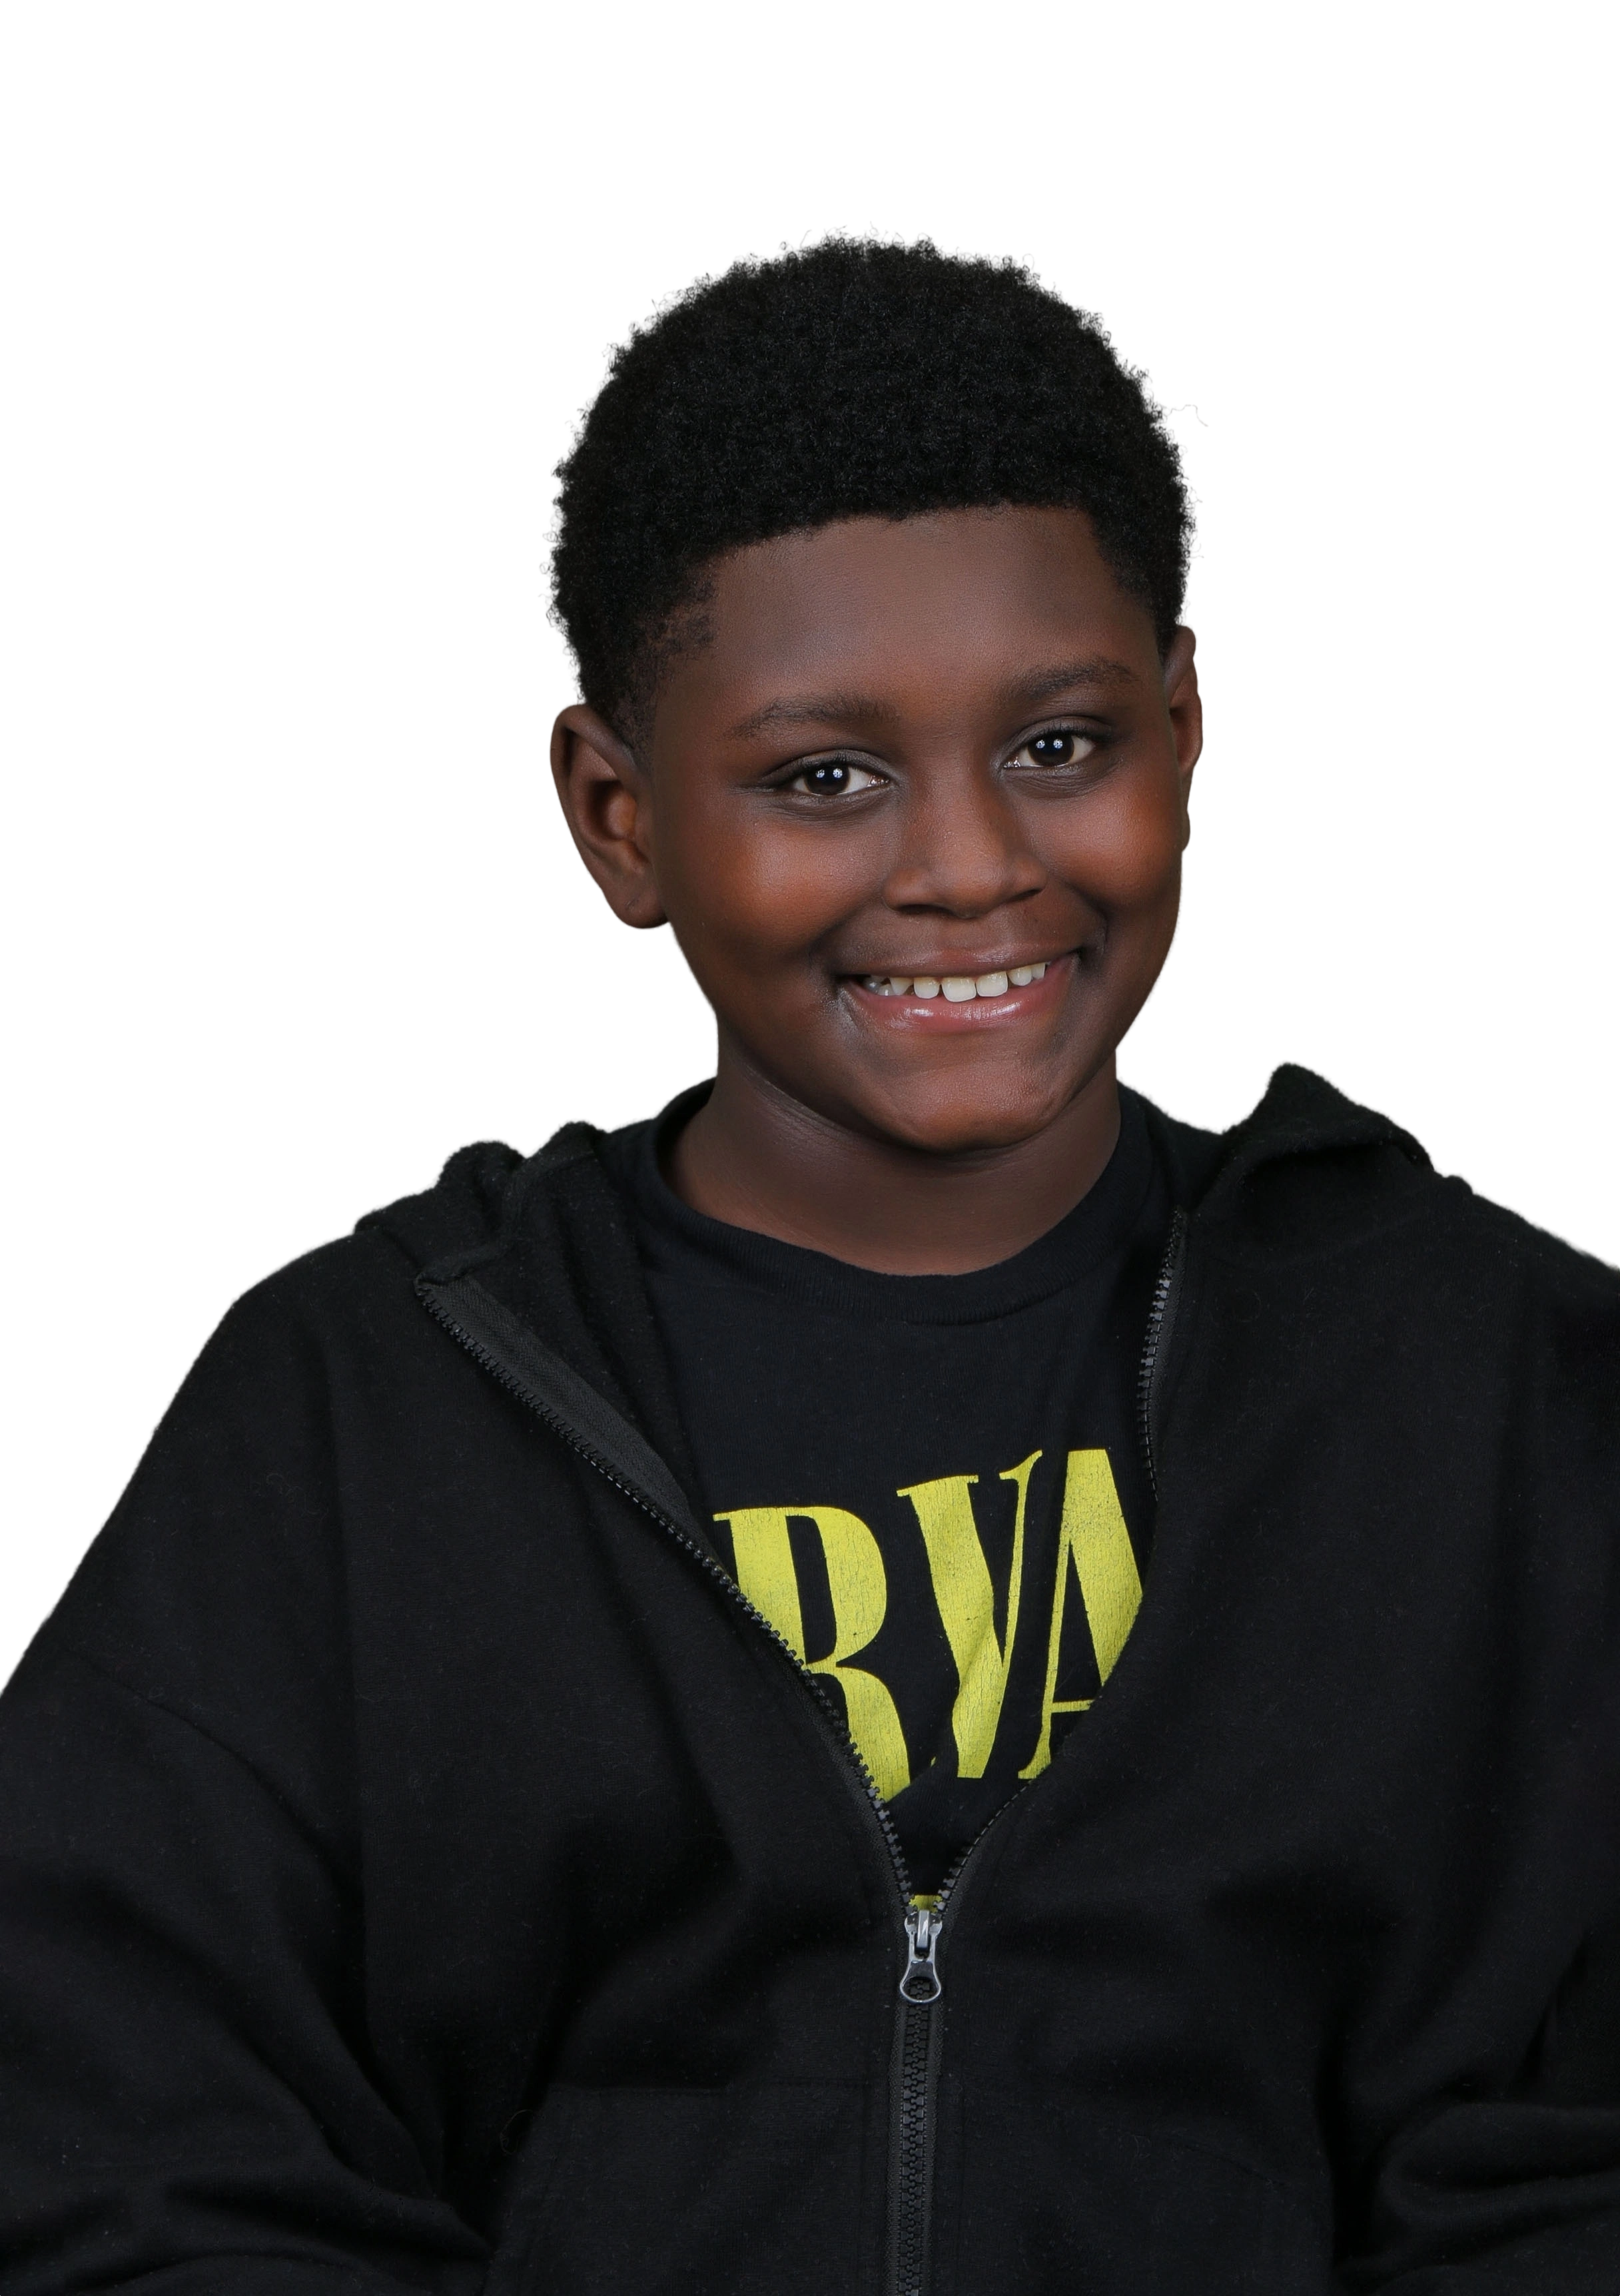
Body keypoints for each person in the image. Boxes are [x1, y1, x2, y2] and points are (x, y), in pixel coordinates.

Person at [2, 223, 1618, 2296]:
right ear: (617, 816)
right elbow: (111, 2121)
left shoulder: (1473, 1374)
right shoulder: (350, 1410)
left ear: (1186, 733)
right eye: (823, 777)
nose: (968, 864)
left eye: (1061, 745)